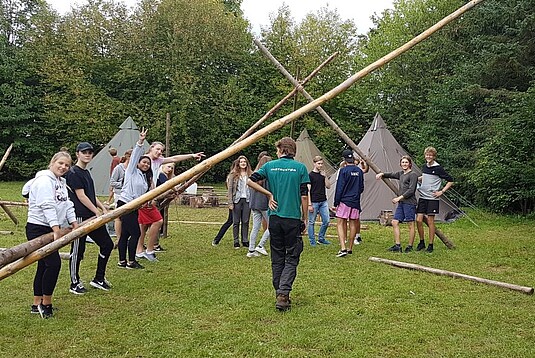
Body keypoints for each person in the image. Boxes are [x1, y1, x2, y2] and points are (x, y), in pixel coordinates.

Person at [248, 137, 309, 311]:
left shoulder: (269, 166)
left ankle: (280, 292)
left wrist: (269, 194)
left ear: (281, 149)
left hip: (274, 218)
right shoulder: (300, 168)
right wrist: (304, 219)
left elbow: (250, 180)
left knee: (277, 256)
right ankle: (283, 293)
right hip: (292, 218)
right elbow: (304, 195)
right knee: (292, 256)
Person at [23, 152, 78, 318]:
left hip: (51, 227)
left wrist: (74, 223)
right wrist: (56, 230)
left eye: (67, 165)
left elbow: (67, 203)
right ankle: (46, 304)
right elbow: (47, 205)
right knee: (53, 264)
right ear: (52, 162)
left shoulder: (61, 182)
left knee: (44, 264)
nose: (63, 167)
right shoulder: (44, 181)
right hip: (38, 228)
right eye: (60, 163)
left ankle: (36, 303)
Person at [140, 141, 205, 259]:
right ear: (151, 148)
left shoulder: (158, 161)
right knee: (157, 221)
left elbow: (175, 158)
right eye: (157, 149)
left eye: (161, 151)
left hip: (150, 195)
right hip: (143, 196)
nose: (159, 152)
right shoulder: (143, 161)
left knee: (144, 225)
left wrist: (192, 155)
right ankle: (149, 250)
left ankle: (139, 251)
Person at [65, 142, 114, 294]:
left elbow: (90, 195)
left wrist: (102, 207)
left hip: (92, 215)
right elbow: (81, 196)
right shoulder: (73, 173)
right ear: (77, 154)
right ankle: (74, 282)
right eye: (84, 152)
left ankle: (99, 278)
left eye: (90, 152)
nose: (87, 154)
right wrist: (96, 211)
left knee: (107, 244)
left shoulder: (86, 172)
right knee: (78, 251)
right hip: (80, 217)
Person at [116, 128, 152, 269]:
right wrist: (140, 142)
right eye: (143, 162)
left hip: (135, 206)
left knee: (125, 234)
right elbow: (136, 155)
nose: (145, 164)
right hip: (125, 204)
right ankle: (131, 261)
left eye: (148, 164)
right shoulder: (131, 171)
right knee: (136, 233)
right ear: (137, 163)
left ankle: (122, 261)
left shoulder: (144, 178)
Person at [376, 155, 418, 252]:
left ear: (410, 164)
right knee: (395, 222)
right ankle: (397, 245)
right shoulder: (401, 174)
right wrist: (381, 174)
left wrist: (399, 198)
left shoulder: (413, 175)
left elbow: (411, 190)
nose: (404, 164)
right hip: (402, 203)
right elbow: (390, 174)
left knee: (410, 224)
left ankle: (410, 246)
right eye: (403, 162)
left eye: (406, 162)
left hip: (409, 203)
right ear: (400, 164)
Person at [415, 146, 454, 253]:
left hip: (432, 198)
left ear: (434, 156)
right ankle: (421, 242)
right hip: (423, 197)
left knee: (430, 221)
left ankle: (430, 244)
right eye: (427, 155)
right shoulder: (425, 167)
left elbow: (450, 180)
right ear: (425, 156)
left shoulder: (438, 168)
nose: (428, 157)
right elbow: (424, 177)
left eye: (430, 155)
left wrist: (441, 191)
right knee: (418, 220)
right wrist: (414, 179)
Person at [332, 149, 364, 257]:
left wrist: (336, 202)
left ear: (344, 159)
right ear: (353, 158)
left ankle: (343, 248)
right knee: (353, 224)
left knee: (340, 223)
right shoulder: (359, 171)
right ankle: (350, 248)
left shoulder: (343, 171)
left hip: (344, 201)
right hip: (355, 201)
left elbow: (339, 187)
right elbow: (361, 187)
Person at [247, 154, 272, 257]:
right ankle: (261, 245)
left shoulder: (254, 175)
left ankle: (251, 250)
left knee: (255, 227)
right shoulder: (266, 176)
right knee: (272, 226)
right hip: (264, 204)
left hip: (254, 204)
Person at [227, 155, 252, 249]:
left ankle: (245, 240)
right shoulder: (233, 174)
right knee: (236, 221)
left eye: (244, 162)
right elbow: (230, 189)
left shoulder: (250, 174)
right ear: (238, 163)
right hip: (237, 200)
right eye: (241, 162)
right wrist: (230, 202)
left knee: (245, 221)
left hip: (247, 200)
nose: (243, 163)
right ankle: (236, 241)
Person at [109, 149, 132, 246]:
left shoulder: (135, 169)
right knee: (118, 216)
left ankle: (128, 237)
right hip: (119, 194)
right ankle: (119, 239)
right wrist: (122, 184)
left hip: (130, 196)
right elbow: (112, 182)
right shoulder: (119, 168)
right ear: (128, 157)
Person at [307, 155, 331, 246]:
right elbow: (308, 190)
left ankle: (321, 238)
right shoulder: (310, 175)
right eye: (319, 163)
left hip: (323, 201)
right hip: (314, 201)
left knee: (326, 221)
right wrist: (309, 204)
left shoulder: (322, 175)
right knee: (311, 222)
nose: (320, 165)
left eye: (321, 163)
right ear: (314, 164)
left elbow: (328, 186)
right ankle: (312, 240)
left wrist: (325, 177)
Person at [212, 162, 234, 247]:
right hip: (233, 201)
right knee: (230, 221)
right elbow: (230, 189)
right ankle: (217, 239)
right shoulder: (231, 176)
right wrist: (230, 201)